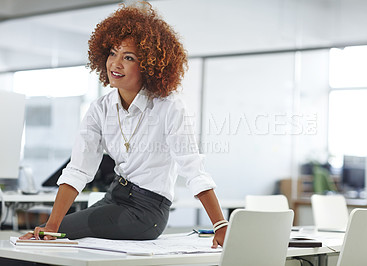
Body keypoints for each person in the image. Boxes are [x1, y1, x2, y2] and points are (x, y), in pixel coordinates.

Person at [20, 2, 227, 248]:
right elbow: (78, 170)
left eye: (128, 57)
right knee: (49, 233)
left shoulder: (168, 107)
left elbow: (193, 169)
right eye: (112, 53)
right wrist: (51, 227)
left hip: (147, 211)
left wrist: (220, 225)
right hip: (114, 198)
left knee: (54, 234)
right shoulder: (100, 108)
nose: (115, 64)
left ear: (150, 65)